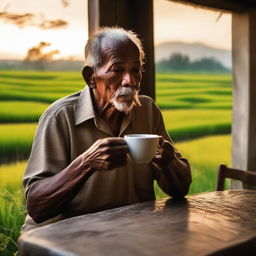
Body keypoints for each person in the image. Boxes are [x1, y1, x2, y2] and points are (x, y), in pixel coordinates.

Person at [21, 27, 192, 232]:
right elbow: (37, 207)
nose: (130, 80)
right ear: (91, 77)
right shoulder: (59, 117)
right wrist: (86, 163)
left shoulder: (146, 110)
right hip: (64, 237)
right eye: (118, 70)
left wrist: (169, 162)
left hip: (127, 232)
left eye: (135, 70)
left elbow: (181, 190)